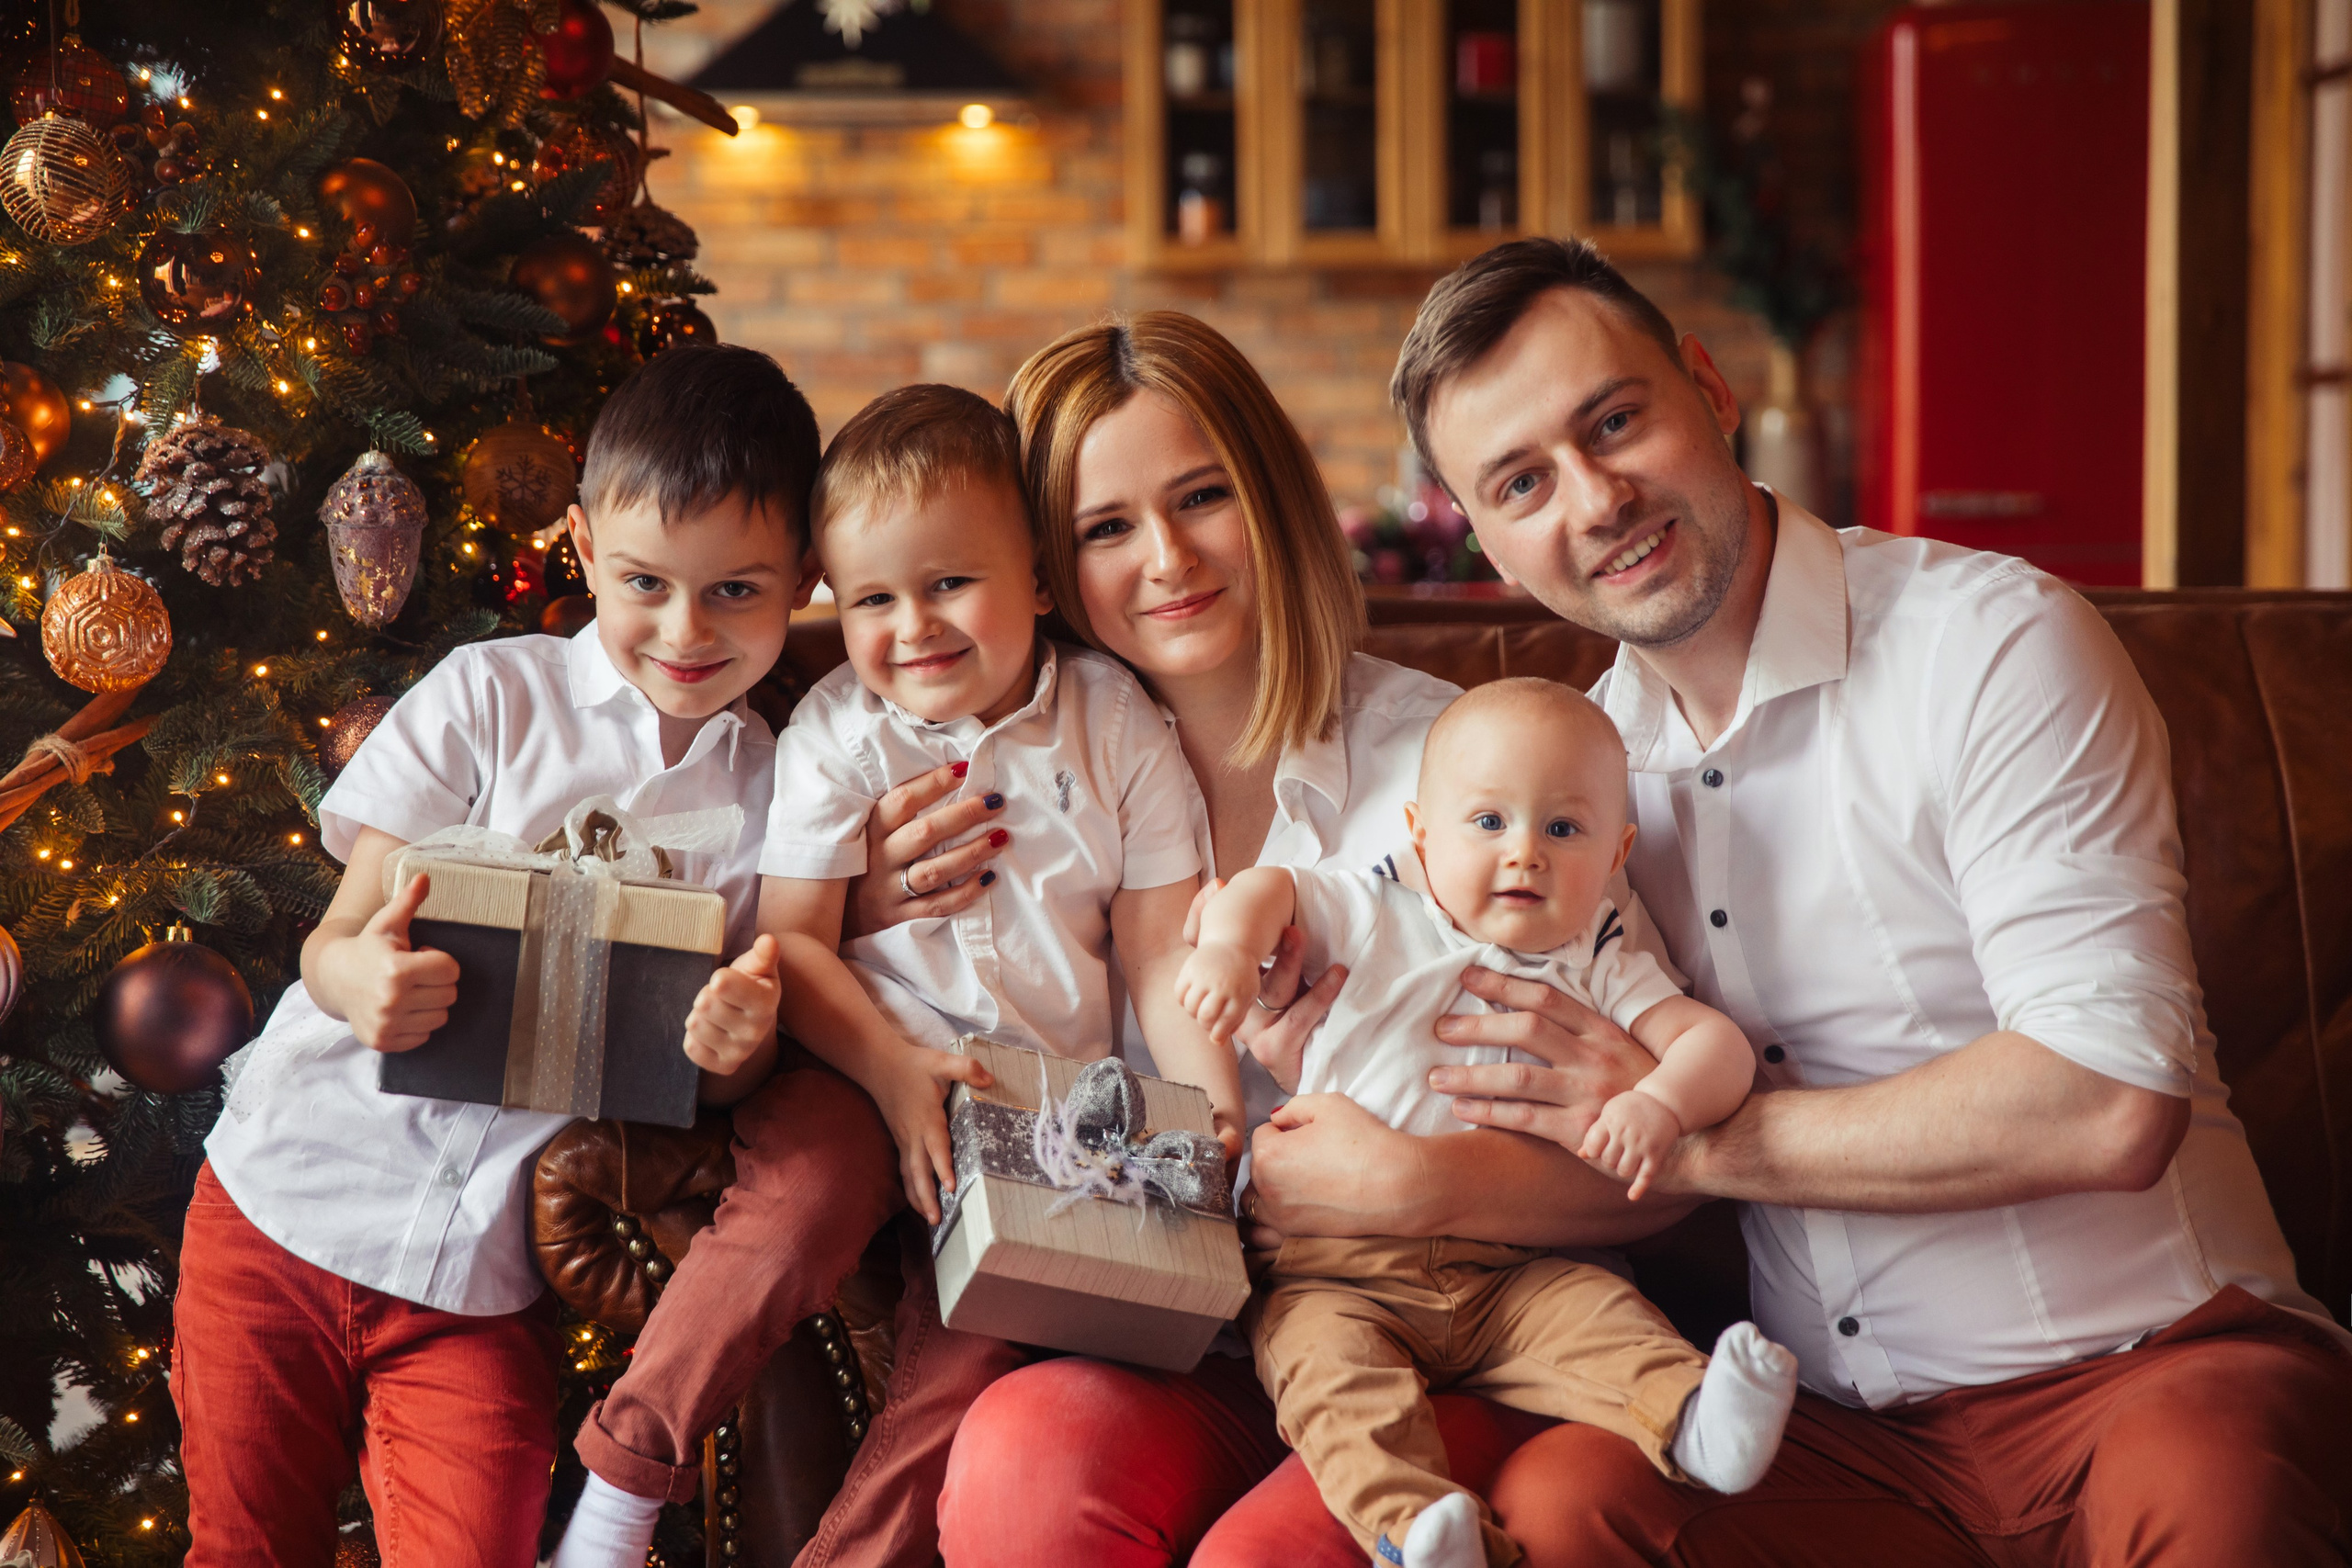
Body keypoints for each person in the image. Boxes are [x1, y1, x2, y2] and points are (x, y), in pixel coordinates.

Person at [1372, 235, 2352, 1563]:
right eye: (1522, 480)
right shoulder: (1570, 787)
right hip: (1837, 1428)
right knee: (1561, 1509)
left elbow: (2110, 1099)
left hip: (2153, 1364)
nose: (1595, 498)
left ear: (1709, 390)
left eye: (1615, 420)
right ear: (1481, 537)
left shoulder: (1991, 643)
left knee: (2214, 1489)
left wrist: (1703, 1141)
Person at [929, 312, 1680, 1568]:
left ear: (1272, 494)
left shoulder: (1468, 767)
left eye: (1203, 495)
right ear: (1049, 568)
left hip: (1468, 1316)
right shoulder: (1013, 794)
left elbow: (1655, 1153)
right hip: (1197, 1338)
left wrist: (1419, 1180)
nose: (1167, 557)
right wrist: (875, 896)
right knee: (1026, 1460)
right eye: (1108, 527)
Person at [178, 345, 840, 1568]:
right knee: (243, 1547)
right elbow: (339, 937)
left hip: (474, 1277)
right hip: (284, 1197)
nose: (686, 631)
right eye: (646, 581)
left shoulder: (779, 803)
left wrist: (736, 1050)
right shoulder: (491, 696)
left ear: (804, 577)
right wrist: (362, 979)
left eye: (737, 592)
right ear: (585, 545)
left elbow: (711, 1079)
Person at [752, 382, 1233, 1568]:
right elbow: (791, 938)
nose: (912, 624)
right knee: (780, 1235)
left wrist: (1210, 1110)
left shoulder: (1116, 723)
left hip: (1045, 1120)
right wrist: (893, 1062)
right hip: (880, 1077)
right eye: (873, 598)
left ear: (1036, 579)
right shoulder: (840, 731)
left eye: (949, 583)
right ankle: (624, 1470)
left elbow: (1159, 945)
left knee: (969, 1356)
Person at [1178, 677, 1796, 1568]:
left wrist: (1657, 1103)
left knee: (1605, 1321)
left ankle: (1698, 1421)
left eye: (1562, 829)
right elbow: (1268, 887)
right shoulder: (1378, 906)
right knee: (1329, 1383)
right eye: (1488, 823)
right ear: (1421, 832)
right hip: (1336, 1270)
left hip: (1522, 1262)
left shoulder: (1598, 950)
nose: (1524, 856)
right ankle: (1415, 1529)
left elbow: (1716, 1047)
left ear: (1615, 850)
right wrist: (1229, 949)